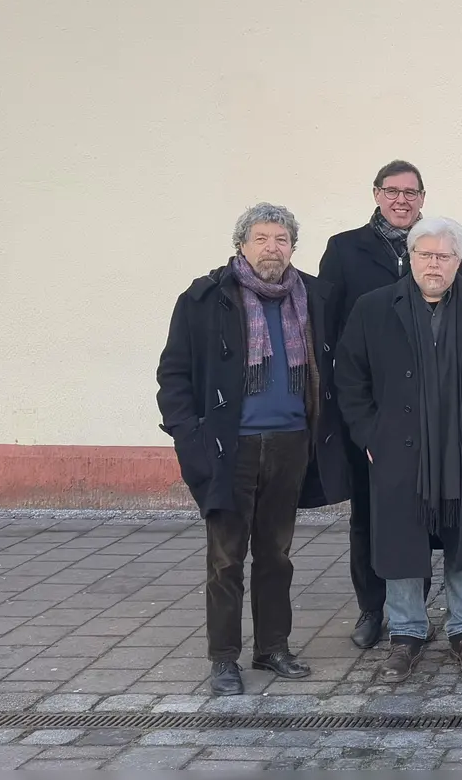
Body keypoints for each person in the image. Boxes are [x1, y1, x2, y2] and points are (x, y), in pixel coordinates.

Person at [156, 203, 350, 696]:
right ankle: (224, 658)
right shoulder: (205, 299)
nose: (272, 248)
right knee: (225, 559)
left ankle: (272, 647)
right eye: (262, 238)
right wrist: (189, 436)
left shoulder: (315, 296)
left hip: (291, 443)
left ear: (293, 247)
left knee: (277, 553)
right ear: (242, 243)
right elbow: (173, 375)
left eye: (281, 239)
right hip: (228, 447)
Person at [335, 217, 462, 683]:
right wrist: (369, 435)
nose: (433, 264)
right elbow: (350, 379)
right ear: (410, 259)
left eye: (443, 255)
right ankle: (406, 635)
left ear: (458, 261)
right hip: (399, 449)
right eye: (424, 255)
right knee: (401, 542)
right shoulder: (374, 307)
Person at [320, 160, 432, 650]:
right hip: (371, 408)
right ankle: (372, 608)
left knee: (421, 511)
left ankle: (415, 610)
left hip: (427, 407)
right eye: (393, 191)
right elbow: (328, 331)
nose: (402, 200)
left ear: (423, 197)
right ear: (376, 194)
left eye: (411, 192)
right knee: (368, 514)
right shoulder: (346, 249)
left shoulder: (438, 246)